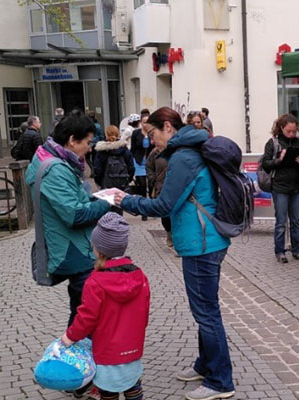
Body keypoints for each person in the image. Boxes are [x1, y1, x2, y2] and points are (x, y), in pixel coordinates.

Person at [113, 107, 236, 400]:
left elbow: (163, 206)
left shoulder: (183, 157)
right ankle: (206, 365)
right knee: (206, 308)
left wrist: (126, 200)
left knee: (206, 312)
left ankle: (221, 382)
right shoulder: (191, 149)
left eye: (152, 134)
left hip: (200, 244)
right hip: (206, 240)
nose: (151, 142)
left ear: (168, 127)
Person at [25, 112, 111, 328]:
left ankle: (76, 356)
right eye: (88, 142)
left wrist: (96, 198)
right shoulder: (55, 170)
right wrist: (107, 202)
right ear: (72, 140)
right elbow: (75, 215)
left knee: (82, 312)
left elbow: (74, 200)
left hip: (75, 247)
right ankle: (73, 357)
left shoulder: (56, 161)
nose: (90, 148)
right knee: (87, 317)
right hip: (72, 250)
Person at [61, 212, 150, 400]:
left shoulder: (95, 282)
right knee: (133, 385)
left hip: (107, 350)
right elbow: (144, 312)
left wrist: (70, 336)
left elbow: (87, 317)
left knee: (108, 391)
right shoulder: (140, 276)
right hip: (133, 346)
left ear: (99, 250)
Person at [261, 114, 299, 263]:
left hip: (296, 187)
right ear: (281, 128)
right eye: (289, 131)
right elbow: (265, 164)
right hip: (280, 187)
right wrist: (279, 160)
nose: (292, 134)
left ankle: (296, 249)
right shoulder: (273, 143)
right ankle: (280, 251)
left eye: (294, 131)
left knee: (295, 221)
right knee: (281, 222)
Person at [93, 125, 135, 191]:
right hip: (123, 185)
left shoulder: (102, 151)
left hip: (106, 185)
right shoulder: (124, 150)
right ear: (118, 135)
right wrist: (127, 180)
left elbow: (97, 170)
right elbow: (131, 168)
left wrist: (100, 182)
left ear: (106, 135)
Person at [146, 146, 172, 247]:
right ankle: (169, 232)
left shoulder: (175, 150)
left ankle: (176, 236)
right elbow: (149, 167)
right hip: (160, 187)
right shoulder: (154, 152)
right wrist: (152, 179)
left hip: (174, 185)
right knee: (164, 214)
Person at [130, 112, 154, 221]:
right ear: (141, 122)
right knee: (142, 186)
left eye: (148, 122)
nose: (146, 124)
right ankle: (144, 211)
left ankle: (153, 206)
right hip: (139, 162)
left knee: (152, 185)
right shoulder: (136, 133)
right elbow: (133, 149)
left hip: (149, 162)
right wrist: (131, 161)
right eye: (144, 122)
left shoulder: (152, 133)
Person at [87, 110, 105, 178]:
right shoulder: (98, 125)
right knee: (95, 158)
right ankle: (94, 170)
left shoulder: (87, 125)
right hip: (96, 143)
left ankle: (92, 169)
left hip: (89, 143)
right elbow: (101, 135)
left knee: (87, 158)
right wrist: (102, 141)